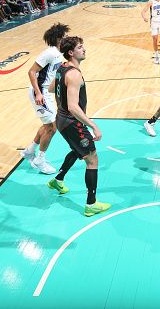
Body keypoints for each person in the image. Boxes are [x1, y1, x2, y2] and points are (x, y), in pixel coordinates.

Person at [47, 36, 111, 217]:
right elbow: (74, 107)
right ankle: (91, 203)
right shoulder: (74, 74)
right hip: (71, 122)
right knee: (92, 159)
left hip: (61, 119)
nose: (84, 50)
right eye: (80, 47)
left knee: (78, 151)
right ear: (70, 52)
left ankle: (57, 180)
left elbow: (52, 88)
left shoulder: (62, 68)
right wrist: (93, 126)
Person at [21, 23, 70, 174]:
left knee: (47, 125)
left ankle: (29, 151)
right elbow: (31, 72)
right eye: (65, 36)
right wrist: (39, 93)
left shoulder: (58, 54)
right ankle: (40, 160)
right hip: (40, 92)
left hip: (46, 92)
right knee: (52, 127)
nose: (67, 38)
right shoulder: (49, 53)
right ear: (58, 38)